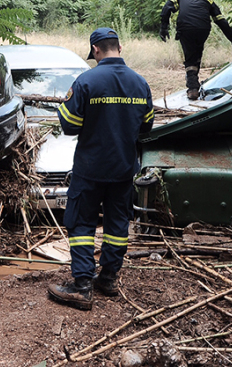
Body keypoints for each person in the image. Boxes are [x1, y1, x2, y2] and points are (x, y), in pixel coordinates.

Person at [48, 27, 154, 311]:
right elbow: (146, 127)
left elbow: (69, 125)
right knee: (117, 224)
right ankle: (108, 278)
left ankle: (82, 285)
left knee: (81, 223)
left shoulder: (86, 81)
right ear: (119, 48)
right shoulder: (140, 83)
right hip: (123, 168)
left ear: (95, 50)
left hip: (90, 168)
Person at [159, 0, 232, 100]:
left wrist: (164, 27)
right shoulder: (209, 1)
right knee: (196, 55)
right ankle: (193, 84)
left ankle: (192, 88)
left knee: (190, 58)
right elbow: (223, 23)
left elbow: (167, 7)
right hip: (203, 30)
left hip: (185, 28)